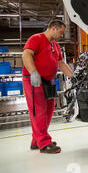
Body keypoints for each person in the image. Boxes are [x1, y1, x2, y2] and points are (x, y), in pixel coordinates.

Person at [22, 19, 74, 154]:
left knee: (49, 110)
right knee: (38, 111)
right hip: (34, 80)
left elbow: (61, 63)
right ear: (53, 29)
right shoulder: (36, 38)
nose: (62, 35)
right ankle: (44, 143)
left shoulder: (55, 45)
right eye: (61, 33)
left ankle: (36, 141)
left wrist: (73, 77)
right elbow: (26, 54)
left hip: (48, 81)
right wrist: (33, 72)